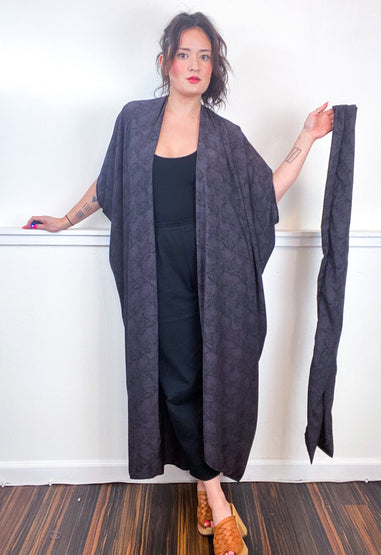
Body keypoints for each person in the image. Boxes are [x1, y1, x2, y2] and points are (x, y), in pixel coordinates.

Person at [24, 12, 333, 555]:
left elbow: (264, 194)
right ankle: (216, 500)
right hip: (152, 276)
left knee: (209, 381)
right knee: (173, 382)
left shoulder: (224, 138)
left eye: (205, 56)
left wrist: (306, 138)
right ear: (165, 61)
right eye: (185, 54)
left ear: (215, 68)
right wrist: (66, 220)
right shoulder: (135, 120)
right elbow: (109, 181)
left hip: (214, 280)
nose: (195, 65)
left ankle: (210, 496)